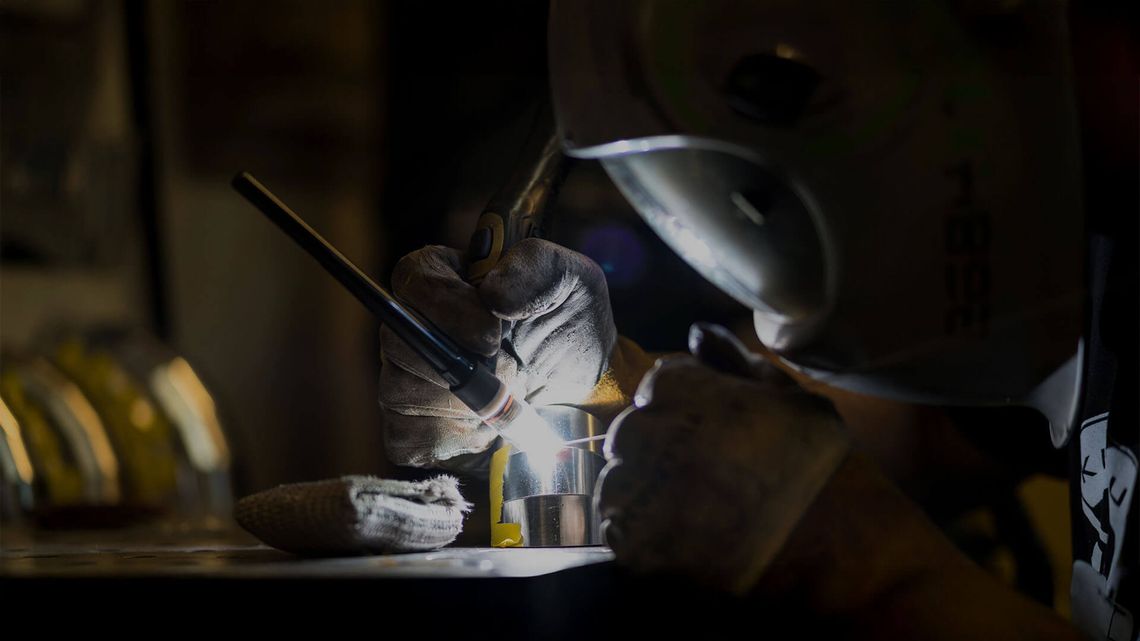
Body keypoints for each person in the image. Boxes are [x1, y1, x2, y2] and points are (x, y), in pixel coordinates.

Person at [378, 2, 1135, 639]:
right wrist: (605, 378)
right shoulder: (1083, 257)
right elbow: (906, 435)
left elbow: (818, 495)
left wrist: (869, 565)